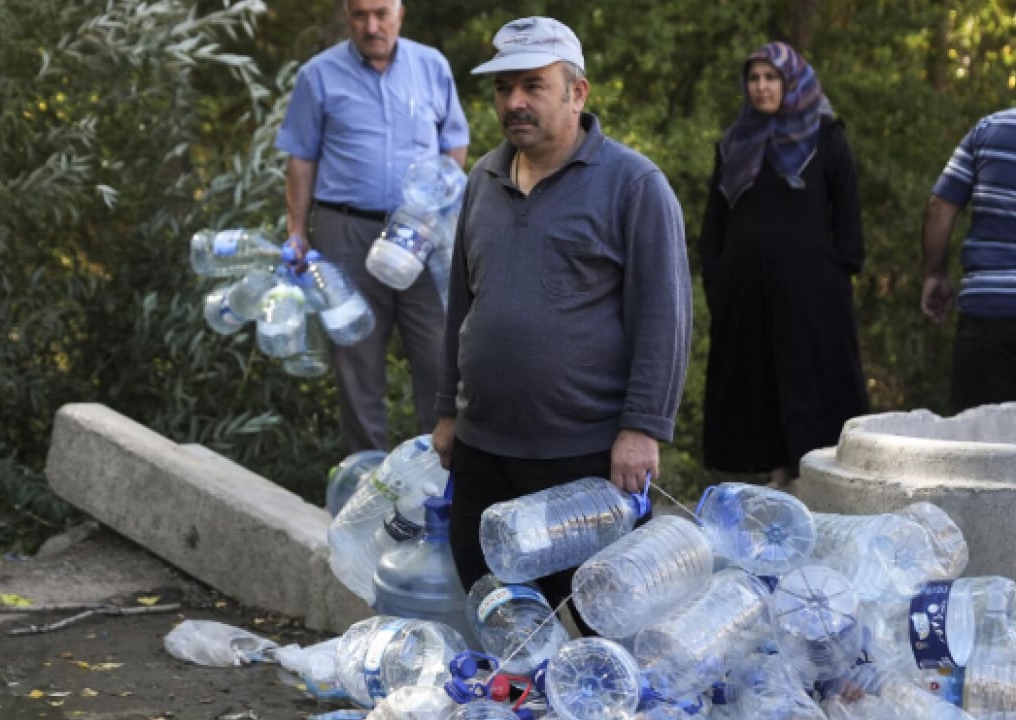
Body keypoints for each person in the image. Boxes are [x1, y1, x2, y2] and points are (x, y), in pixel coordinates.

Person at [431, 16, 692, 625]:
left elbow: (665, 317)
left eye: (533, 85)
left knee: (604, 624)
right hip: (483, 449)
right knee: (501, 615)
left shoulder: (634, 184)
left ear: (578, 92)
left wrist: (642, 427)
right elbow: (462, 305)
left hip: (584, 459)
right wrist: (447, 410)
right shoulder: (483, 179)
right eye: (503, 88)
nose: (514, 102)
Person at [274, 0, 469, 453]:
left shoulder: (432, 67)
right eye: (360, 15)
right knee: (356, 363)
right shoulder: (318, 75)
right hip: (346, 232)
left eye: (381, 13)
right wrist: (296, 230)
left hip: (420, 234)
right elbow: (301, 158)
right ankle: (367, 480)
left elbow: (454, 143)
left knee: (440, 355)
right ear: (347, 16)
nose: (371, 25)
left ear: (401, 12)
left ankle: (438, 477)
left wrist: (437, 206)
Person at [699, 41, 868, 487]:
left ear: (792, 82)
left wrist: (839, 272)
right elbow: (715, 224)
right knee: (758, 385)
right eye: (753, 78)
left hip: (812, 294)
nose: (761, 87)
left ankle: (817, 483)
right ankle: (774, 484)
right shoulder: (734, 143)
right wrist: (718, 281)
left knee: (813, 384)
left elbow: (847, 214)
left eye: (771, 77)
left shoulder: (826, 137)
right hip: (746, 294)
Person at [919, 69, 1016, 413]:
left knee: (977, 440)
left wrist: (934, 274)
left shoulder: (991, 128)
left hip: (988, 311)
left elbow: (940, 206)